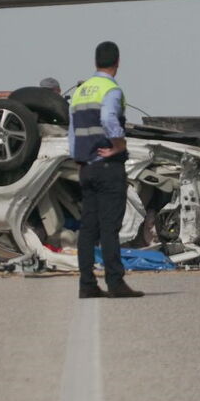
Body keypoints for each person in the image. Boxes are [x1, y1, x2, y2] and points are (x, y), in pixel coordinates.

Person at [70, 41, 143, 299]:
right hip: (109, 166)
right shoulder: (111, 89)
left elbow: (73, 132)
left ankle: (87, 284)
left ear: (95, 62)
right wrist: (118, 143)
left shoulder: (80, 92)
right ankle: (115, 282)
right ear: (117, 62)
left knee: (88, 228)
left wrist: (78, 160)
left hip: (86, 166)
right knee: (110, 227)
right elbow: (109, 118)